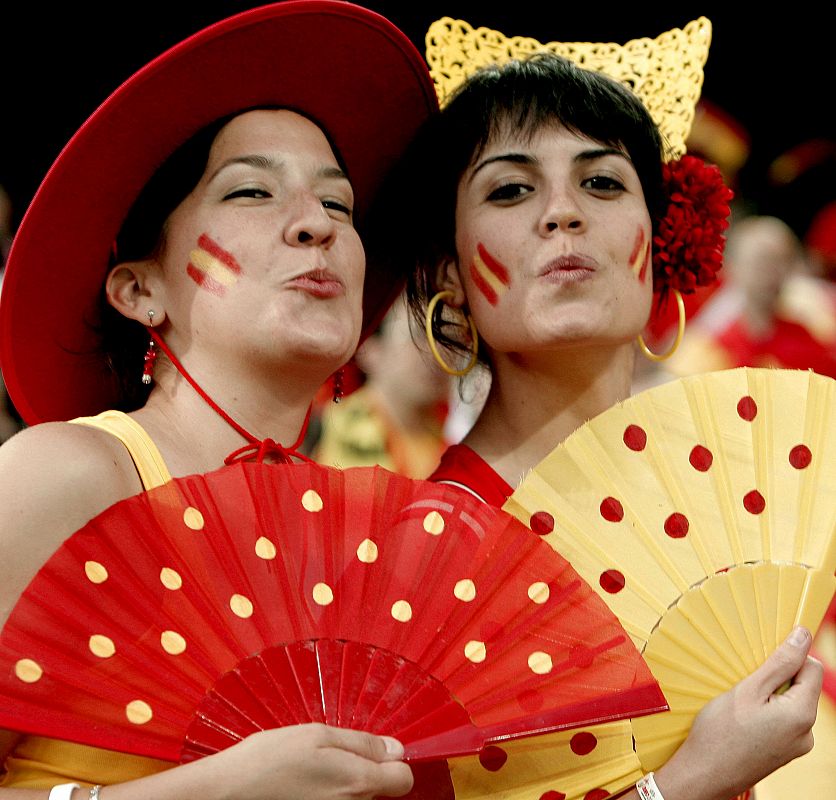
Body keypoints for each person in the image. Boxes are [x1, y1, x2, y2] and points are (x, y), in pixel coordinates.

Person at [0, 2, 438, 797]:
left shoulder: (371, 539)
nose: (317, 227)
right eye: (251, 194)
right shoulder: (65, 476)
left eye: (338, 205)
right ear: (139, 289)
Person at [368, 44, 824, 800]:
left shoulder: (722, 506)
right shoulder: (416, 564)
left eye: (604, 182)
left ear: (659, 244)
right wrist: (684, 786)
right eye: (511, 190)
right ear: (449, 270)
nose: (563, 212)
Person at [665, 214, 836, 380]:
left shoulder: (809, 338)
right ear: (733, 267)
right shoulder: (709, 348)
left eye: (782, 261)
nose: (772, 273)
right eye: (761, 261)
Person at [312, 293, 452, 478]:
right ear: (370, 350)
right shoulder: (339, 427)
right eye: (419, 335)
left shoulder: (449, 437)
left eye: (448, 340)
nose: (437, 353)